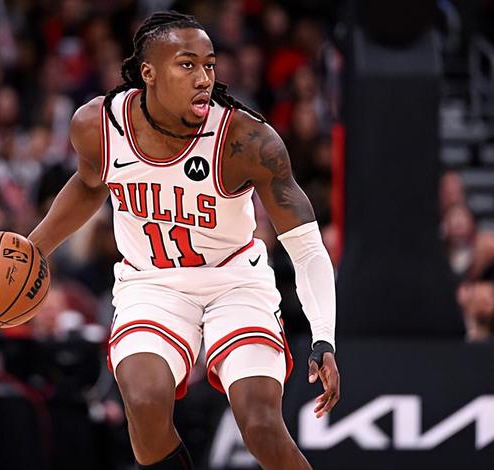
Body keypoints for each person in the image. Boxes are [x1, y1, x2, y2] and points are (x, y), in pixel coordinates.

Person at [29, 11, 339, 470]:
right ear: (148, 73)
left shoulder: (246, 139)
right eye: (187, 64)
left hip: (234, 282)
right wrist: (34, 248)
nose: (204, 78)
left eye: (209, 65)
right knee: (143, 401)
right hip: (151, 283)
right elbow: (90, 183)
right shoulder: (99, 125)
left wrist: (324, 338)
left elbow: (308, 248)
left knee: (260, 425)